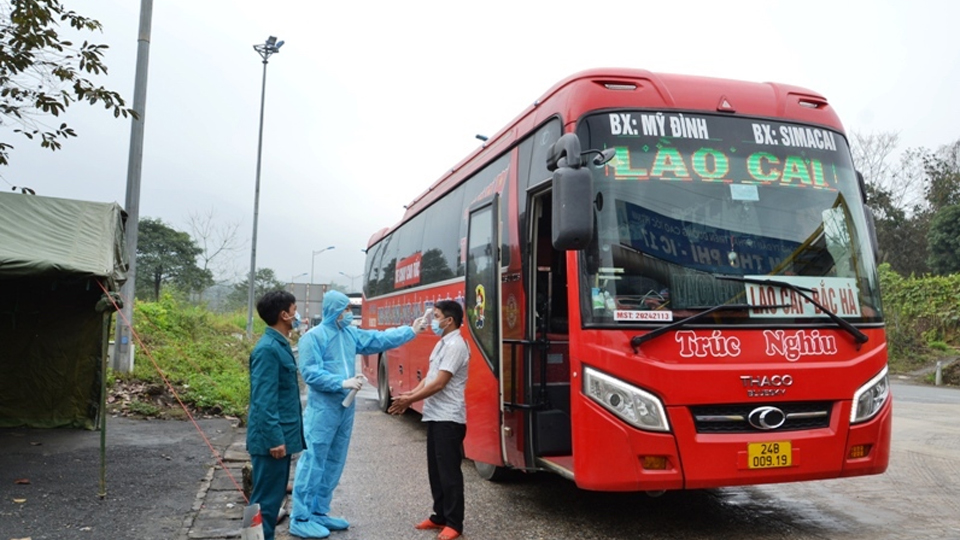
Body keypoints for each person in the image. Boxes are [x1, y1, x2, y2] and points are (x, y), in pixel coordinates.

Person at [290, 290, 426, 539]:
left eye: (349, 310)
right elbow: (310, 373)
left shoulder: (349, 333)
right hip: (323, 410)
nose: (348, 314)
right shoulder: (313, 338)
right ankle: (300, 517)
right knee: (313, 461)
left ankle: (319, 511)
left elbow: (378, 339)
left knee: (334, 461)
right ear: (333, 310)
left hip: (345, 408)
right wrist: (341, 383)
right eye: (344, 310)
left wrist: (411, 331)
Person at [388, 300, 469, 540]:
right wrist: (410, 396)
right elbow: (430, 377)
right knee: (436, 471)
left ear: (449, 320)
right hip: (435, 415)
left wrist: (409, 400)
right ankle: (439, 516)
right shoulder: (441, 344)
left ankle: (454, 523)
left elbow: (441, 382)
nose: (433, 321)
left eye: (436, 316)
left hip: (449, 418)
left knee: (449, 472)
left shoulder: (456, 346)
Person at [247, 290, 304, 540]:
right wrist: (274, 439)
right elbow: (263, 401)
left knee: (268, 502)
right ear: (283, 314)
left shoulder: (279, 345)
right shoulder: (268, 350)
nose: (296, 314)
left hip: (280, 436)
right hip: (272, 441)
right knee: (264, 505)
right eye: (294, 309)